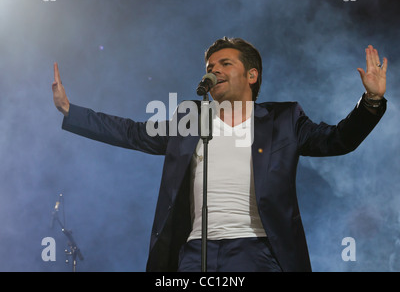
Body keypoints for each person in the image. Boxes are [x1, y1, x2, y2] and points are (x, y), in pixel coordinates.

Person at [52, 37, 387, 272]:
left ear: (251, 75)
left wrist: (370, 102)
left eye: (226, 63)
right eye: (211, 65)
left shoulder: (285, 119)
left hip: (256, 250)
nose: (214, 70)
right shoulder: (190, 120)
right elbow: (132, 132)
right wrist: (71, 111)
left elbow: (338, 140)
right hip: (195, 251)